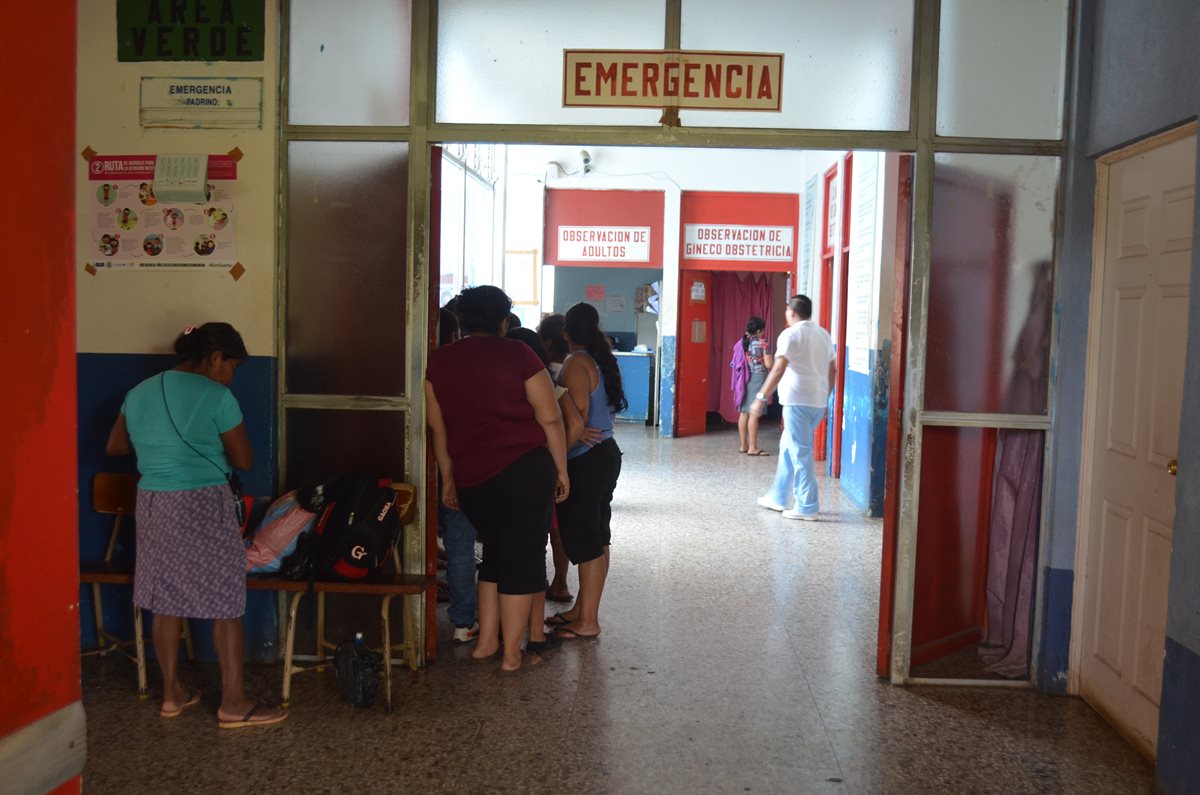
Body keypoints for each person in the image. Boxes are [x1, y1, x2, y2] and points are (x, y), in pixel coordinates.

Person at [105, 322, 286, 728]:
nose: (232, 376)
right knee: (226, 600)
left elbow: (115, 446)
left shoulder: (140, 392)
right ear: (215, 357)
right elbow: (242, 461)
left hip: (152, 501)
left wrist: (158, 445)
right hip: (202, 500)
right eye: (232, 367)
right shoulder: (217, 396)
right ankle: (233, 703)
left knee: (164, 596)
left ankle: (172, 694)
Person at [425, 286, 570, 671]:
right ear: (504, 321)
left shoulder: (439, 362)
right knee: (521, 560)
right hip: (523, 471)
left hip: (472, 477)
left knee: (492, 557)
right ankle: (511, 656)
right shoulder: (520, 354)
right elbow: (550, 416)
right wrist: (561, 469)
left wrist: (449, 480)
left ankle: (485, 644)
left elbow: (438, 430)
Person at [547, 302, 625, 640]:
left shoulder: (575, 364)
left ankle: (588, 621)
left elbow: (574, 422)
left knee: (585, 542)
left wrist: (556, 464)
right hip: (605, 454)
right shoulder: (599, 359)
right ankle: (583, 609)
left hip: (585, 459)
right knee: (598, 537)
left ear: (566, 334)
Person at [751, 295, 836, 521]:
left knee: (800, 452)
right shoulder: (823, 335)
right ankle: (778, 496)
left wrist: (760, 397)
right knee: (789, 446)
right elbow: (832, 370)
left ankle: (807, 506)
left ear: (791, 312)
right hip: (817, 401)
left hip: (797, 401)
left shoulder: (790, 334)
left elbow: (778, 369)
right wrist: (825, 398)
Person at [435, 306, 480, 644]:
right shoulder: (473, 367)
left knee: (458, 545)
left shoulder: (435, 367)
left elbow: (438, 428)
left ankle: (464, 622)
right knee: (470, 544)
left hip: (439, 465)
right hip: (476, 465)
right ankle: (494, 618)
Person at [536, 313, 573, 603]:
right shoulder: (580, 368)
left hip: (547, 463)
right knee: (557, 531)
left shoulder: (546, 375)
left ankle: (540, 585)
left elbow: (566, 422)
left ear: (547, 341)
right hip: (567, 461)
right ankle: (560, 581)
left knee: (544, 529)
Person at [731, 315, 773, 456]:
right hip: (758, 378)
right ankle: (753, 448)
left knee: (744, 413)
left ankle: (743, 445)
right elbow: (768, 364)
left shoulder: (742, 342)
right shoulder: (763, 343)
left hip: (743, 379)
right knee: (754, 413)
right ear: (760, 330)